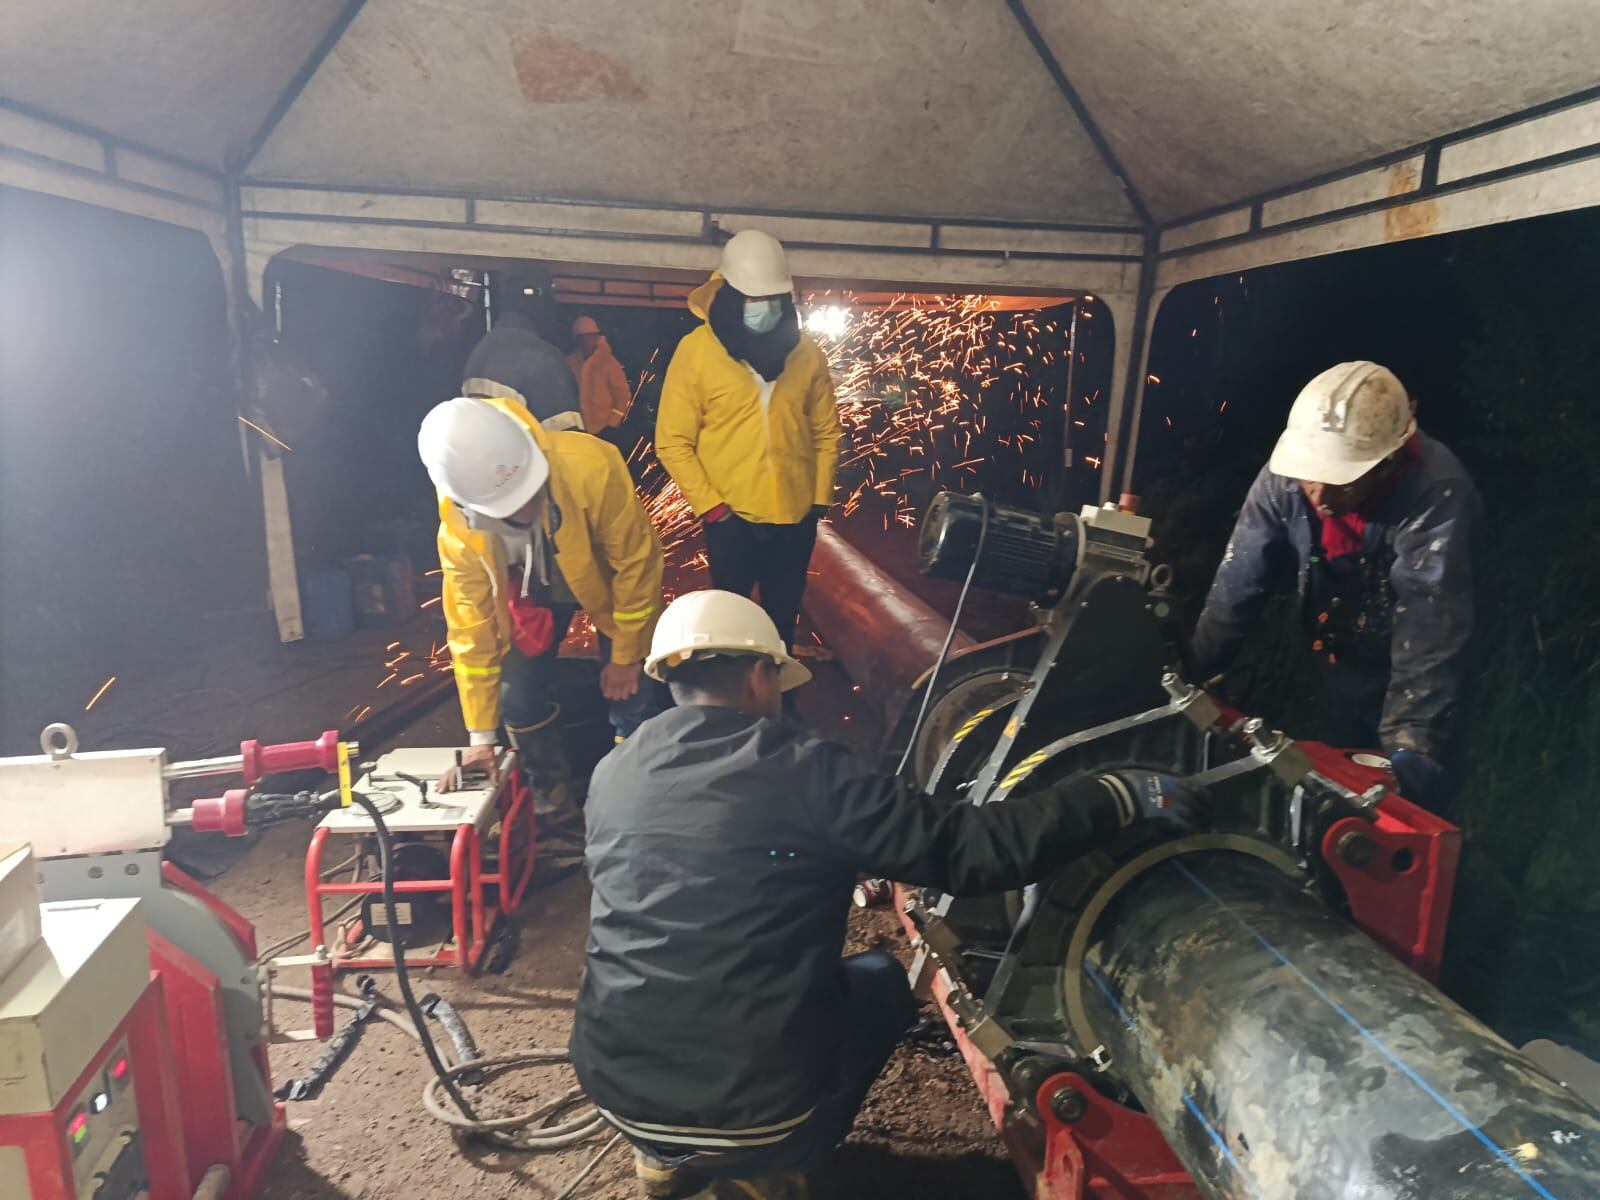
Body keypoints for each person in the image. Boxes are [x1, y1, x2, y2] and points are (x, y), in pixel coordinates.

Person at [571, 589, 1205, 1199]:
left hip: (614, 1086)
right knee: (878, 981)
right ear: (760, 676)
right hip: (752, 1109)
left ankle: (663, 1161)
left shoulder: (612, 770)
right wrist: (1110, 796)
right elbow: (973, 852)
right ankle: (765, 1170)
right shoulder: (805, 768)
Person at [1190, 361, 1481, 812]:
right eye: (1311, 476)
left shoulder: (1436, 492)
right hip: (1339, 668)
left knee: (1412, 809)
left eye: (1339, 479)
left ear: (1387, 464)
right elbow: (1238, 583)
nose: (1320, 493)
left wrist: (1410, 753)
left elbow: (1431, 632)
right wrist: (1194, 674)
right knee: (1335, 800)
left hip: (1412, 678)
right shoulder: (1287, 473)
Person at [417, 396, 668, 869]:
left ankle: (637, 807)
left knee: (633, 694)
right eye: (513, 506)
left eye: (532, 494)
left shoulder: (590, 465)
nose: (527, 507)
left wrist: (626, 655)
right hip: (529, 591)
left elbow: (637, 562)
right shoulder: (458, 531)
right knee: (519, 697)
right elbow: (471, 634)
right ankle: (556, 811)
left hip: (601, 580)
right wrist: (479, 738)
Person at [656, 230, 841, 650]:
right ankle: (736, 711)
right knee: (731, 628)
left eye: (773, 301)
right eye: (755, 300)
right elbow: (672, 440)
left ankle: (780, 707)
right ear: (729, 295)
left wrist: (817, 500)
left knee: (782, 626)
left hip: (795, 518)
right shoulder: (696, 352)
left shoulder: (806, 353)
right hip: (730, 520)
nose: (765, 310)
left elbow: (827, 432)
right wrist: (713, 508)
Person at [462, 295, 585, 432]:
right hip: (518, 451)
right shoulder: (541, 355)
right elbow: (566, 436)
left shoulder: (483, 347)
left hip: (481, 448)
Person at [566, 314, 633, 435]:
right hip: (578, 428)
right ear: (575, 339)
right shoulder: (570, 362)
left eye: (589, 336)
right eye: (581, 337)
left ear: (596, 336)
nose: (585, 340)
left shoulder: (608, 362)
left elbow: (623, 397)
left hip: (604, 430)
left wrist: (612, 423)